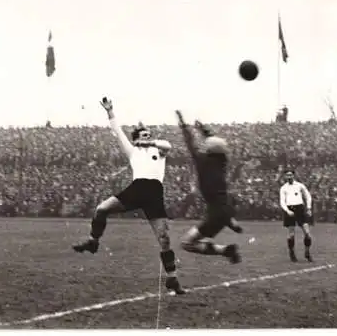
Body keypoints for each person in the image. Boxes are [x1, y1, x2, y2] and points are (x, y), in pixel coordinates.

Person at [73, 97, 185, 295]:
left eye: (149, 134)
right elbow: (117, 132)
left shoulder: (158, 151)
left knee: (164, 238)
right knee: (101, 209)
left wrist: (148, 141)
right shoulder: (133, 152)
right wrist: (110, 111)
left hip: (154, 193)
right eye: (143, 134)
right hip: (136, 189)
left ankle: (172, 279)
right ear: (136, 137)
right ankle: (93, 241)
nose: (147, 136)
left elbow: (167, 145)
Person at [175, 110, 242, 264]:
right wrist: (203, 129)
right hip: (226, 206)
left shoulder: (202, 161)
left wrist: (183, 123)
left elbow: (190, 142)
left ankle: (226, 250)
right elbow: (215, 141)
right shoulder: (223, 161)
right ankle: (230, 221)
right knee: (219, 213)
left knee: (187, 243)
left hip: (216, 213)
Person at [279, 169, 313, 262]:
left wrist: (309, 208)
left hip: (300, 209)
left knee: (307, 233)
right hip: (289, 209)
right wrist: (287, 211)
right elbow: (282, 201)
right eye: (287, 175)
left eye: (291, 175)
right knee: (291, 235)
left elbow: (308, 196)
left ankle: (307, 252)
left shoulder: (300, 185)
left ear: (294, 176)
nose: (289, 177)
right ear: (285, 176)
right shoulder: (283, 188)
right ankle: (292, 252)